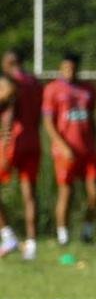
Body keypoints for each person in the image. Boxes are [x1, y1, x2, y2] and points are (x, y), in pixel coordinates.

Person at [42, 52, 96, 246]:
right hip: (65, 150)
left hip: (88, 149)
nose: (69, 72)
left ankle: (87, 233)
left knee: (94, 192)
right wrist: (62, 145)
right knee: (67, 193)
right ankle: (63, 236)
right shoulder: (52, 90)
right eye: (65, 68)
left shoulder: (88, 90)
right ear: (60, 68)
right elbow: (48, 122)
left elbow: (92, 119)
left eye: (72, 68)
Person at [0, 49, 42, 260]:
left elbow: (7, 109)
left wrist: (5, 140)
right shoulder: (34, 82)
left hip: (14, 141)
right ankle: (32, 246)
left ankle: (7, 235)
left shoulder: (10, 82)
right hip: (33, 140)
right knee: (29, 194)